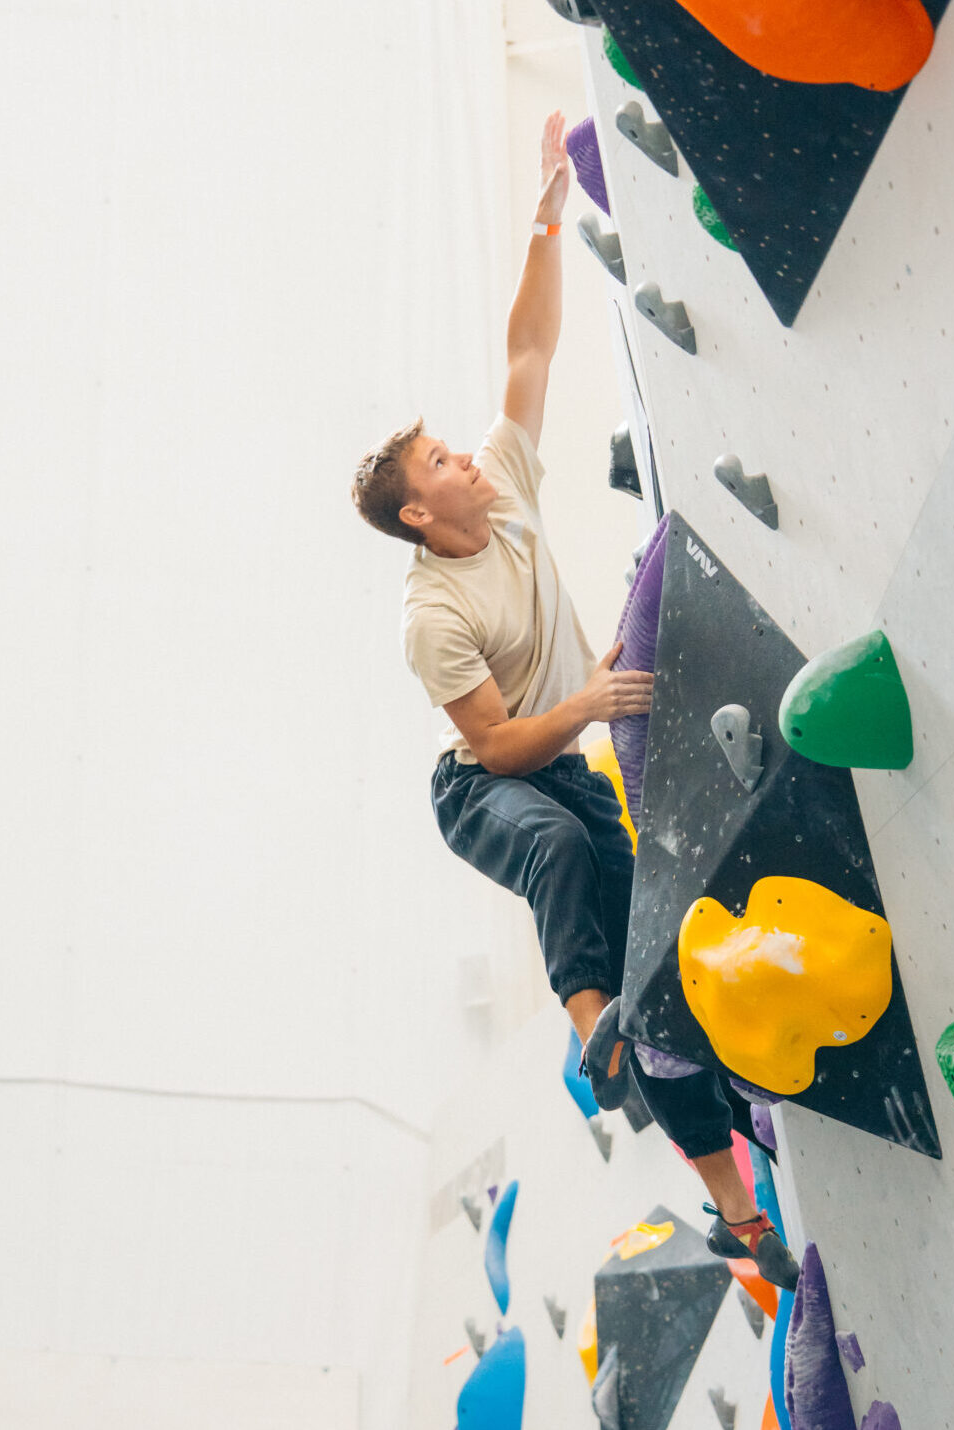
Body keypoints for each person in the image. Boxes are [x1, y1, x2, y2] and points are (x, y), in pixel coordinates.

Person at [350, 112, 797, 1289]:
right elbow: (494, 744)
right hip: (487, 785)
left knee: (647, 932)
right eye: (441, 463)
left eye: (453, 447)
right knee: (555, 848)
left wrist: (551, 210)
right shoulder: (429, 616)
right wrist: (596, 699)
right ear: (416, 514)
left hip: (567, 756)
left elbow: (530, 351)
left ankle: (739, 1212)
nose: (465, 460)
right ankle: (588, 1021)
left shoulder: (507, 489)